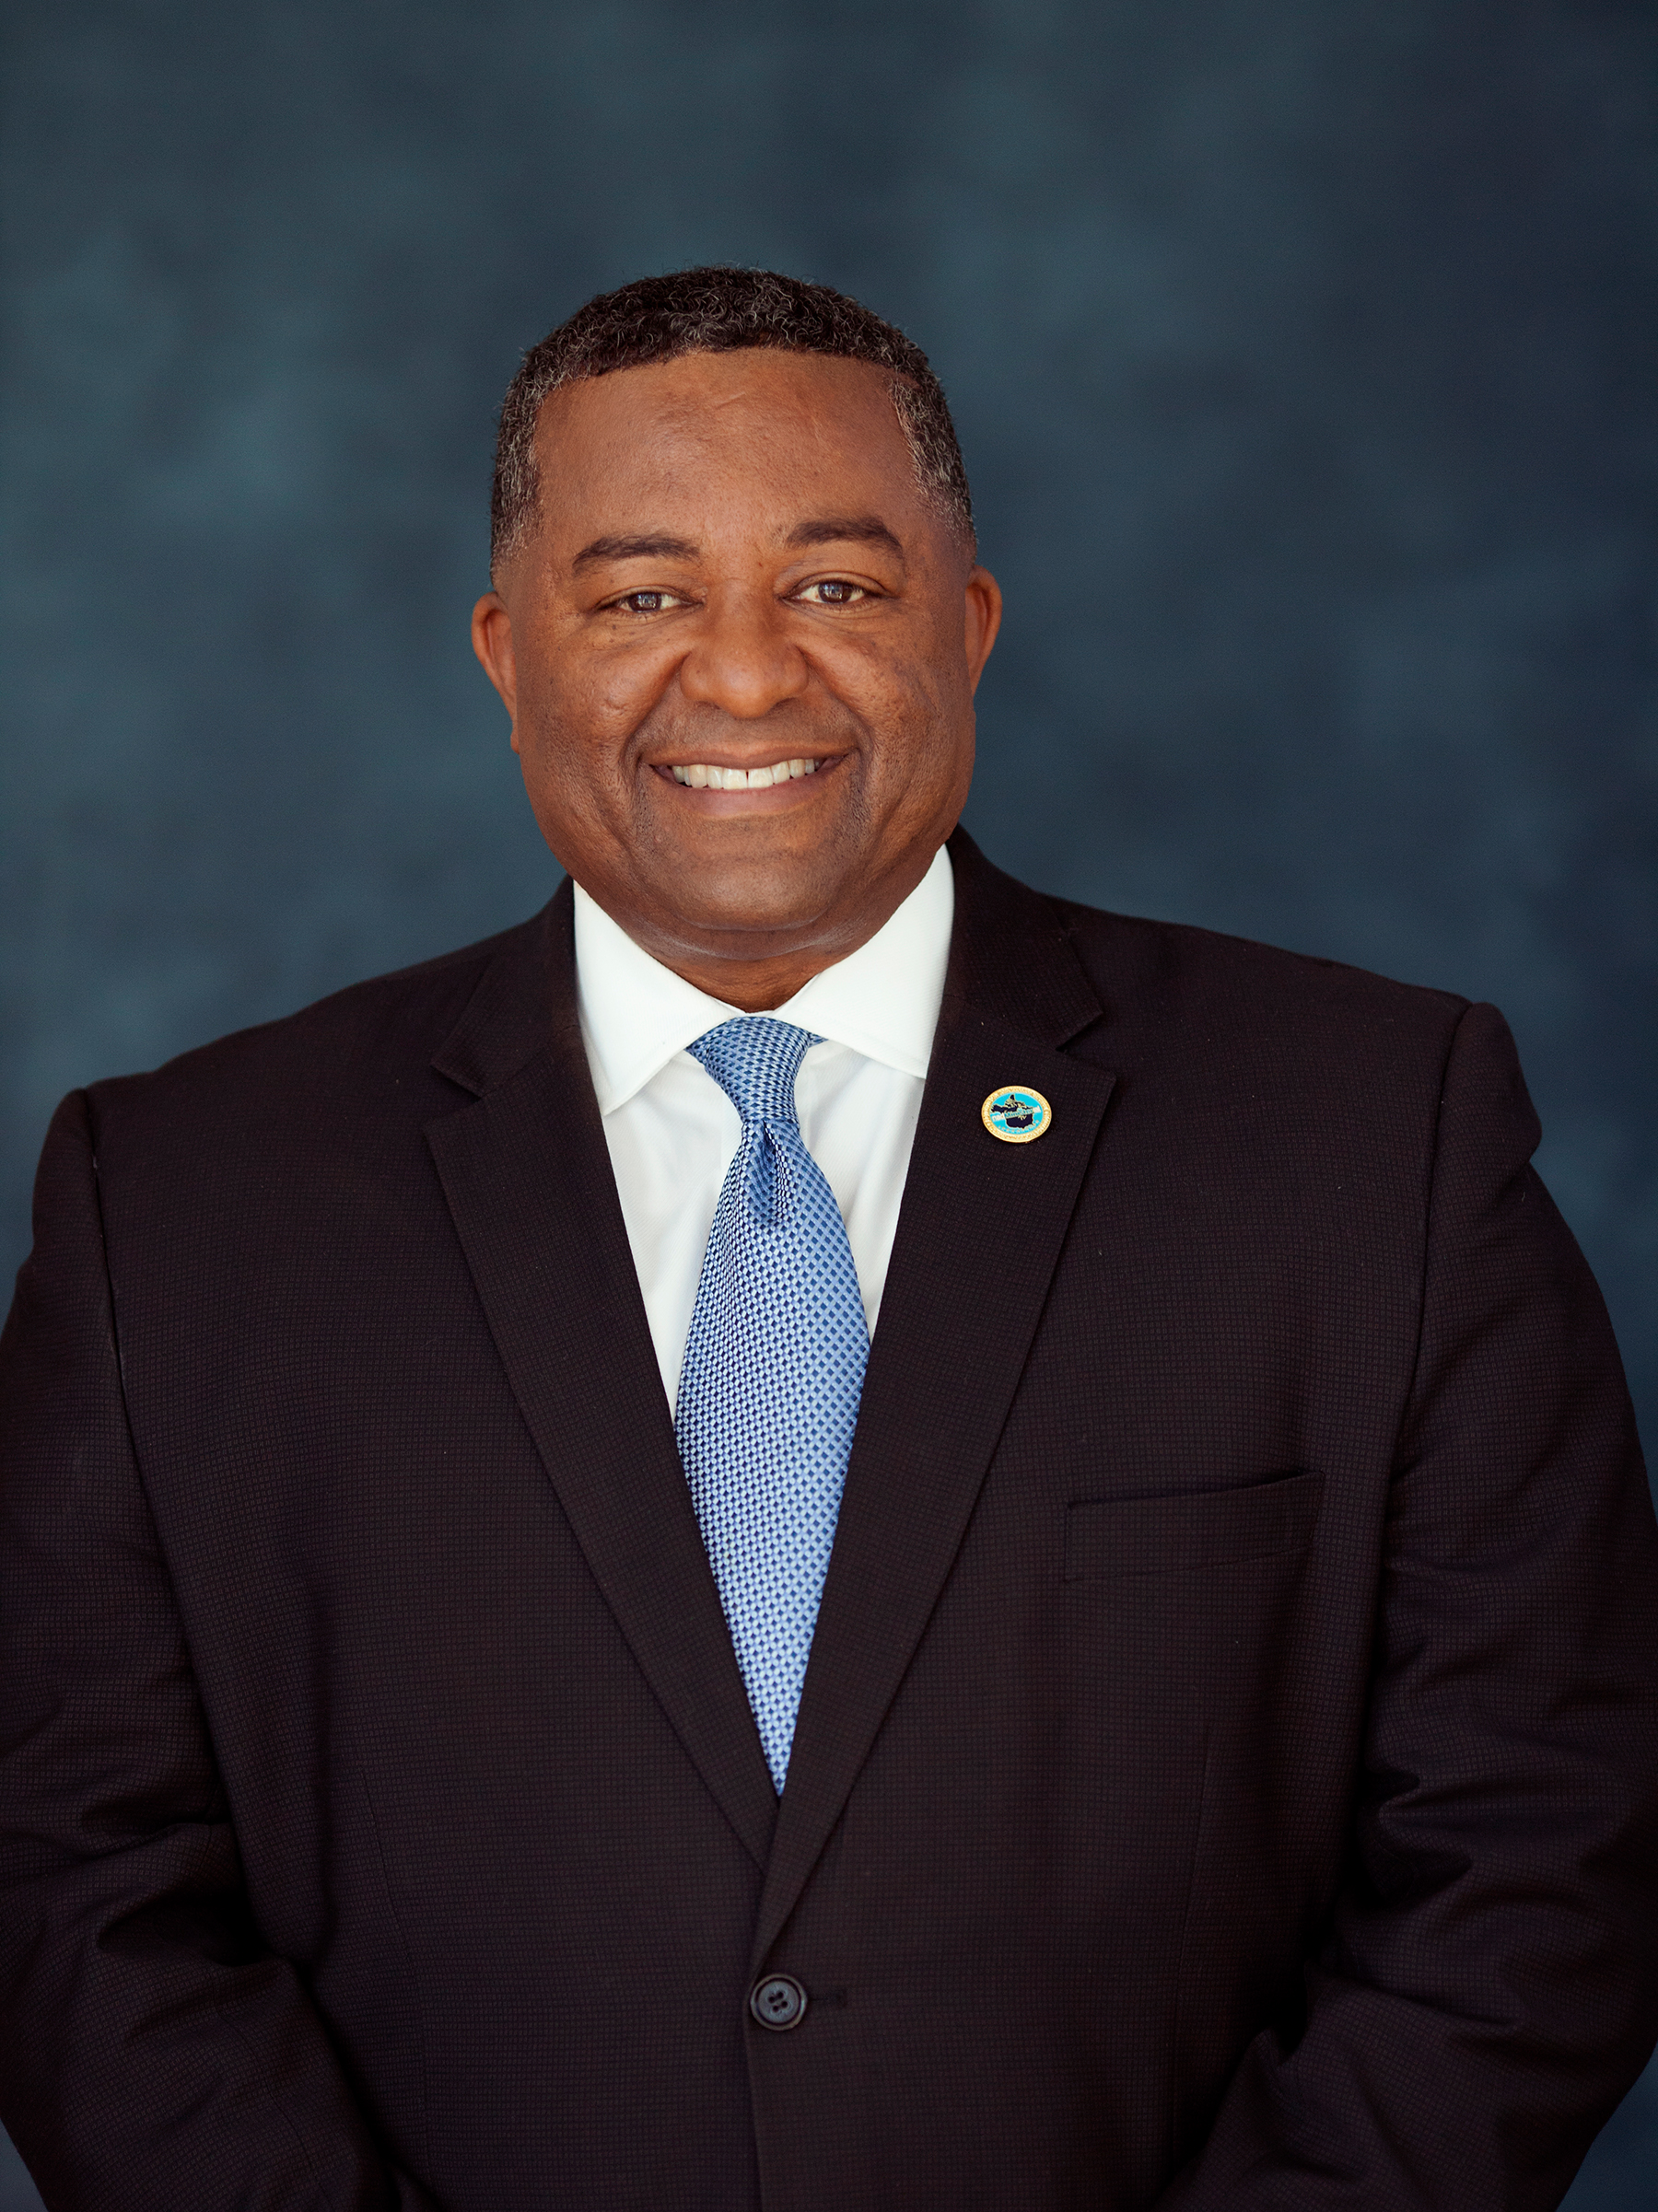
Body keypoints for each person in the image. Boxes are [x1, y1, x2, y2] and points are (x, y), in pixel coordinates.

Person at [0, 266, 1654, 2212]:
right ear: (503, 651)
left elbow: (1544, 1848)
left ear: (967, 626)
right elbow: (67, 1874)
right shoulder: (181, 1198)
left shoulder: (1375, 1135)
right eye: (639, 596)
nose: (749, 674)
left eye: (838, 587)